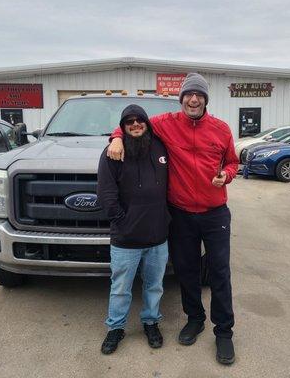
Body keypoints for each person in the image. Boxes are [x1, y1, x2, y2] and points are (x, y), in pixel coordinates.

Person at [107, 73, 239, 365]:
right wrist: (116, 137)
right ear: (182, 99)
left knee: (219, 272)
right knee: (187, 271)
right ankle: (195, 319)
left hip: (214, 213)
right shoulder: (165, 123)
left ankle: (224, 331)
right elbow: (134, 124)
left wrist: (226, 175)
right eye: (189, 95)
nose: (193, 100)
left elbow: (232, 161)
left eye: (199, 96)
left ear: (205, 100)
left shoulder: (221, 129)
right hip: (180, 214)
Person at [97, 104, 170, 355]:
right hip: (126, 239)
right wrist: (122, 221)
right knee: (120, 288)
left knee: (154, 285)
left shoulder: (162, 146)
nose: (136, 124)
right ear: (123, 126)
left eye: (140, 120)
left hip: (158, 236)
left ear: (147, 123)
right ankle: (115, 328)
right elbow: (106, 194)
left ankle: (151, 322)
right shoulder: (113, 153)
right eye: (129, 121)